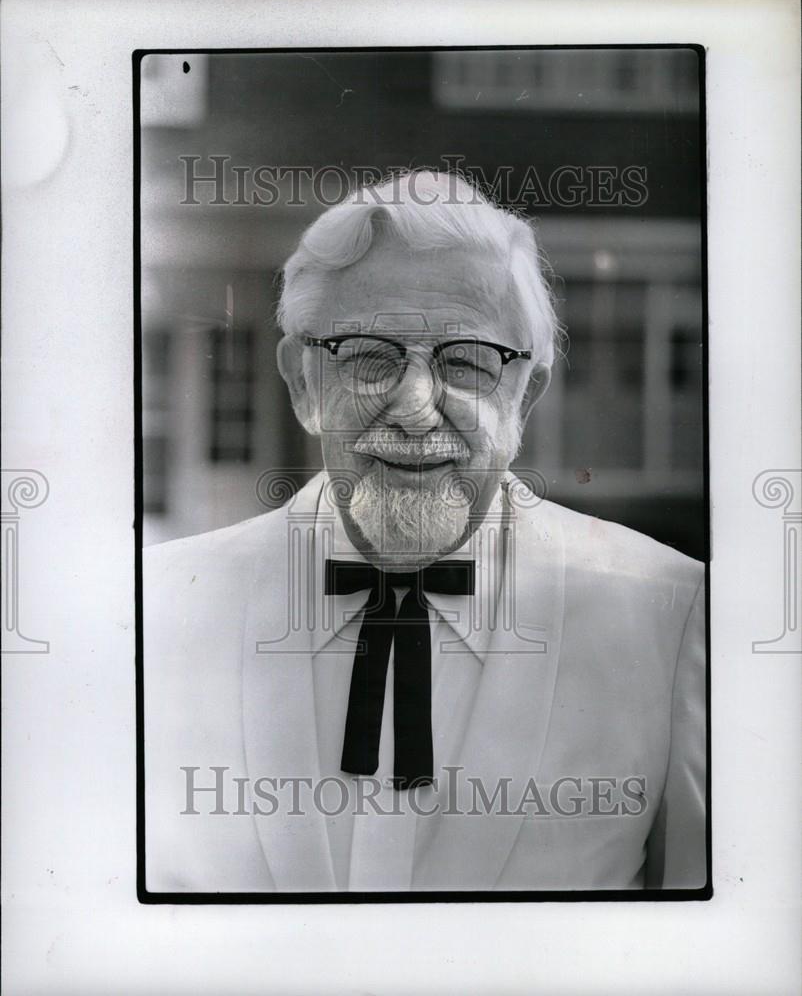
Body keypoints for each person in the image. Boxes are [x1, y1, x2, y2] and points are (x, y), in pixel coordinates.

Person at [143, 171, 706, 893]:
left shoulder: (672, 615)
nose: (414, 407)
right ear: (303, 383)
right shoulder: (150, 610)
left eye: (466, 360)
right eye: (369, 357)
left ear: (524, 395)